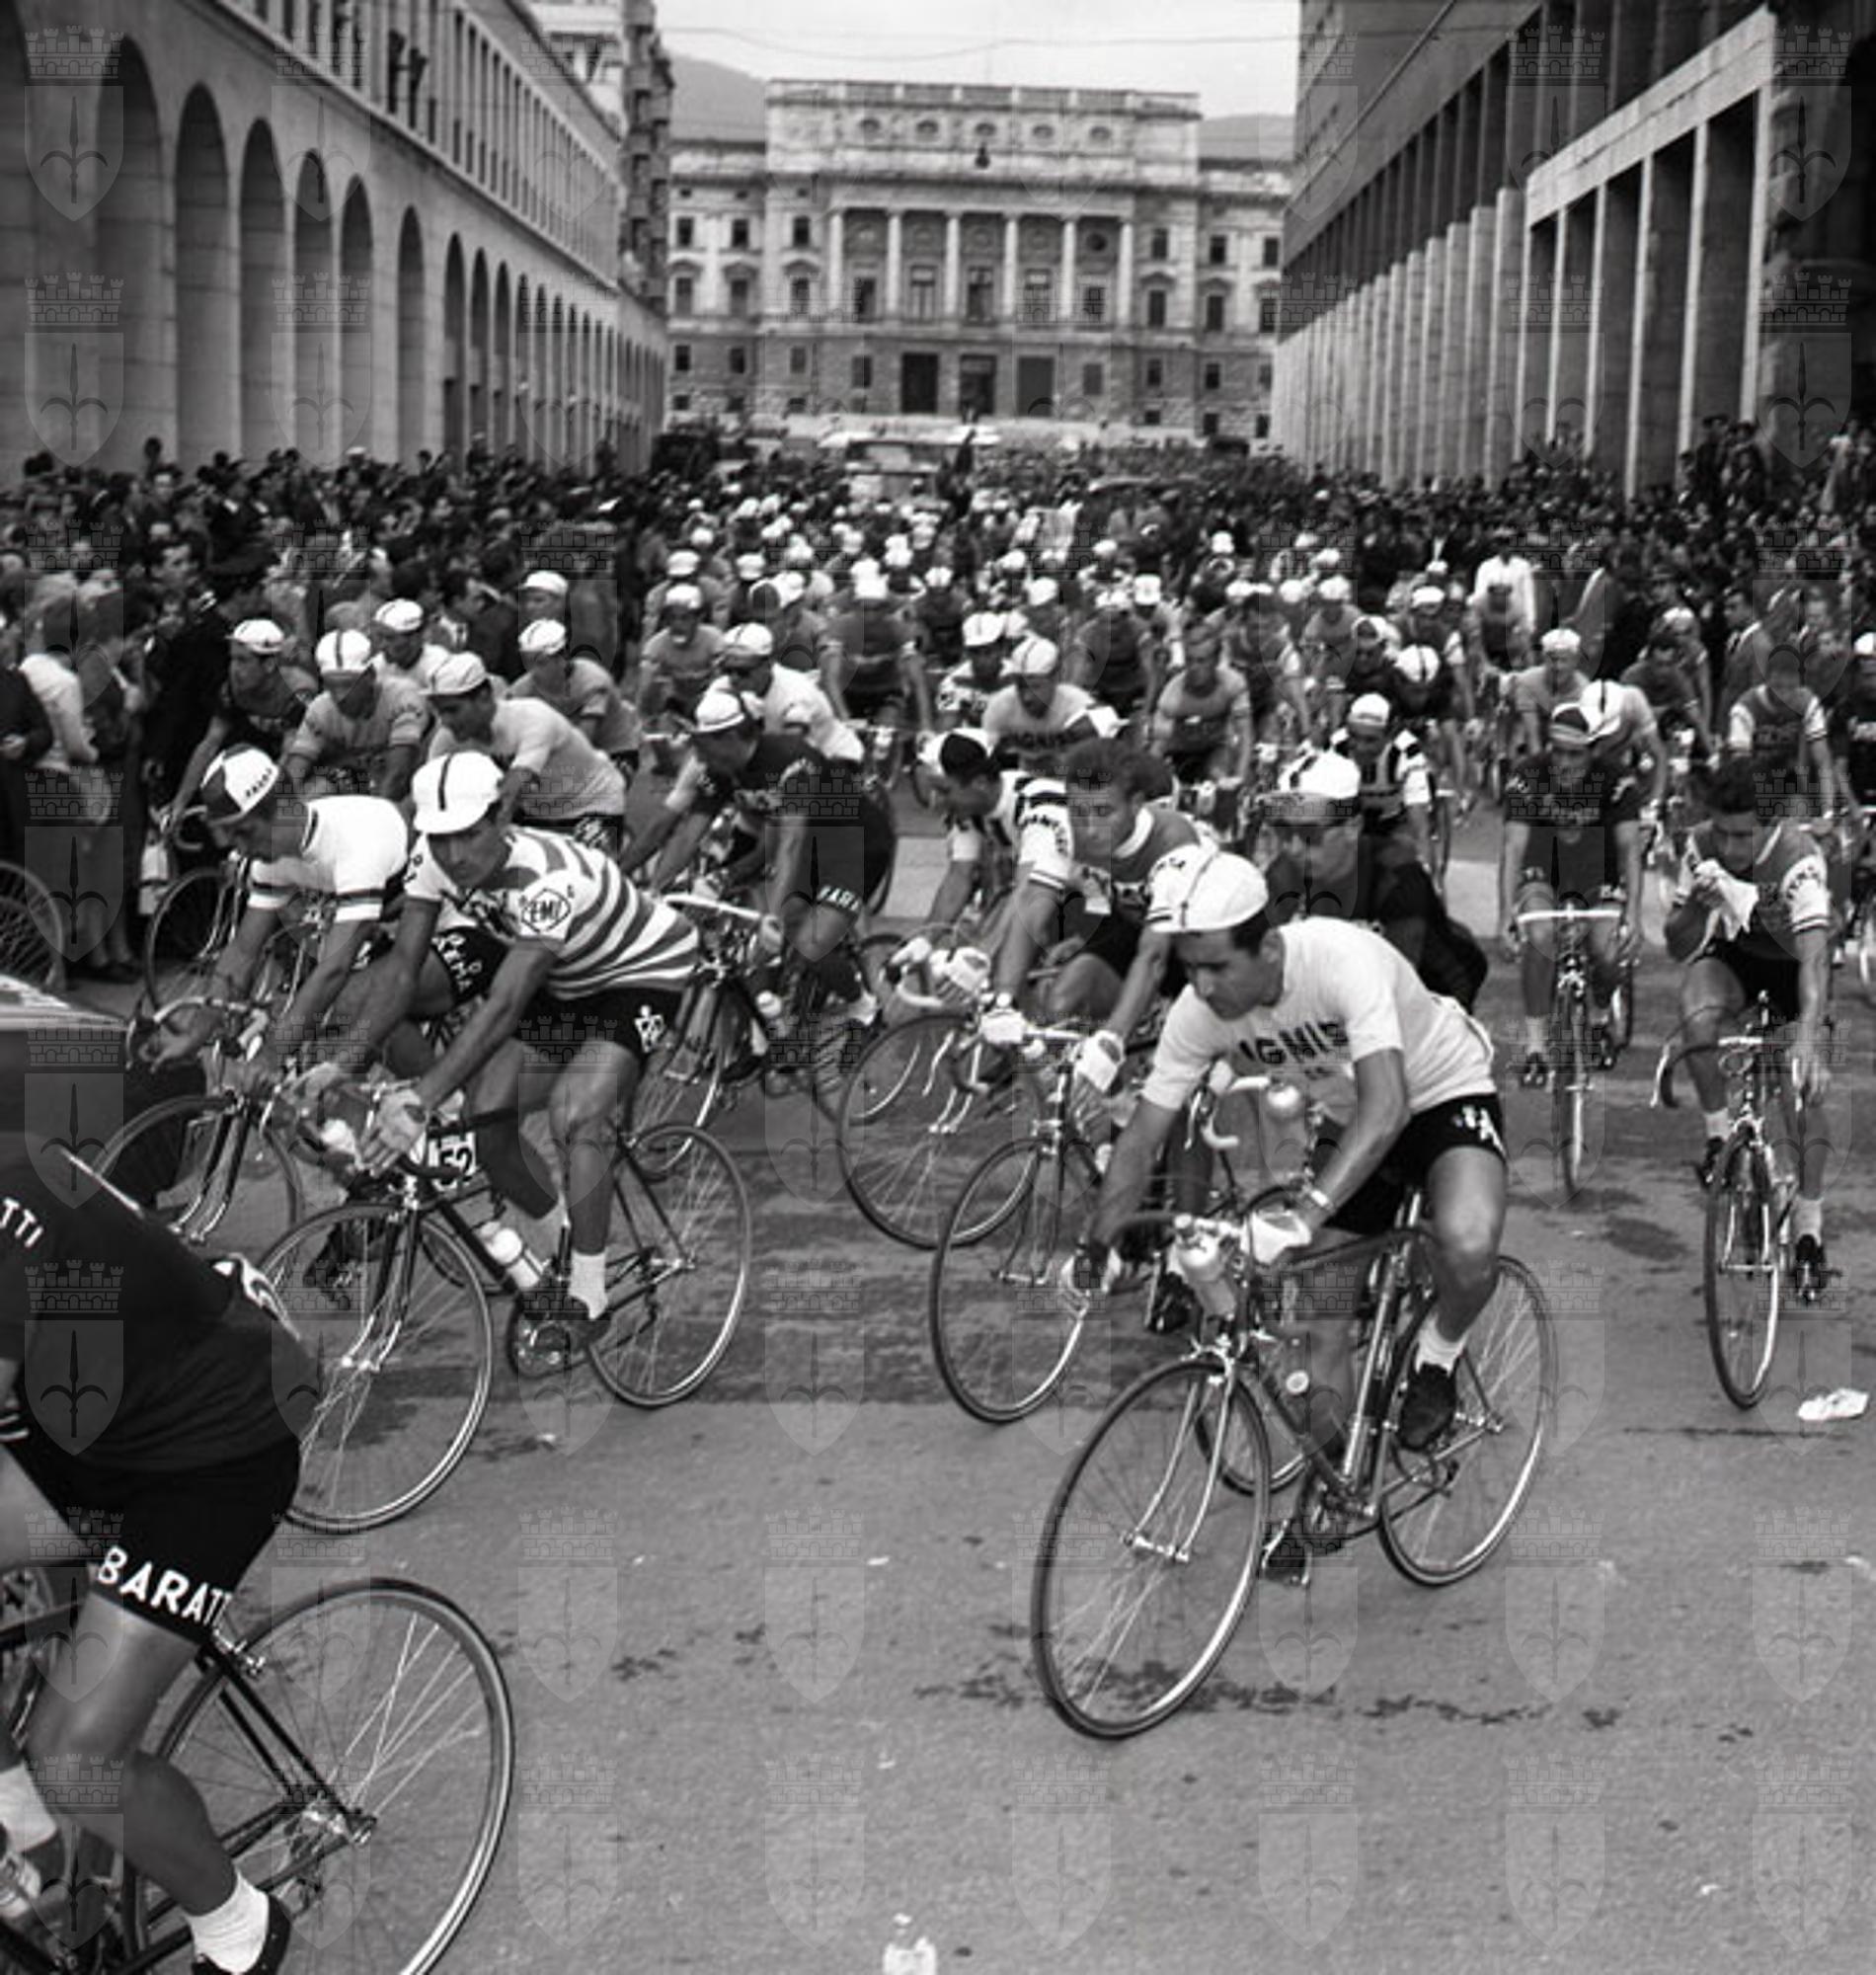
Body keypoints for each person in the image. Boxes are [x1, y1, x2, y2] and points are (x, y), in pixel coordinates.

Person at [0, 1022, 314, 1974]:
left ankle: (240, 1928)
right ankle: (26, 1828)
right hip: (87, 1424)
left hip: (216, 1447)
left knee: (78, 1757)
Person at [1075, 850, 1506, 1456]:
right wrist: (1098, 1246)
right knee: (1320, 1321)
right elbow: (1143, 1138)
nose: (1201, 986)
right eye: (1190, 967)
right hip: (1349, 1118)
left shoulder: (1341, 961)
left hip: (1440, 1093)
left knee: (1467, 1244)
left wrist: (1306, 1215)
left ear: (1270, 949)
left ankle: (1438, 1354)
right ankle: (1332, 1484)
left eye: (1218, 967)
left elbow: (1388, 1107)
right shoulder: (1198, 1014)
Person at [327, 751, 697, 1332]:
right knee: (487, 1118)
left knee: (575, 1114)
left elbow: (504, 1004)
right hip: (569, 981)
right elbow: (401, 973)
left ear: (500, 816)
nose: (454, 855)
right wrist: (342, 1065)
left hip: (641, 972)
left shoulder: (548, 878)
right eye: (439, 838)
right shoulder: (433, 863)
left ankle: (589, 1296)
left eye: (468, 835)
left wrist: (421, 1098)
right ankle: (563, 1250)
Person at [144, 747, 410, 1090]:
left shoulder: (355, 848)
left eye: (244, 832)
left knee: (353, 1001)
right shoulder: (271, 855)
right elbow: (243, 952)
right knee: (297, 1012)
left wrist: (272, 1055)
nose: (239, 849)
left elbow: (335, 968)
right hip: (359, 906)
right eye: (231, 836)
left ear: (283, 809)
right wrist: (194, 1036)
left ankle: (443, 1103)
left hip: (423, 911)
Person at [1664, 756, 1833, 1298]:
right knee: (1696, 1012)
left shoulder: (1799, 860)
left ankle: (1808, 1227)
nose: (1731, 849)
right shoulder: (1700, 846)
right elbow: (1677, 945)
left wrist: (1807, 1040)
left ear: (1771, 824)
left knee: (1797, 1090)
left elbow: (1814, 961)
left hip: (1792, 968)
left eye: (1744, 836)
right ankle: (1718, 1139)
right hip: (1737, 959)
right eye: (1723, 833)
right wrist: (1696, 907)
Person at [1498, 703, 1644, 1084]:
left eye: (1575, 754)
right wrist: (1505, 914)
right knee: (1540, 936)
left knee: (1605, 951)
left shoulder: (1617, 780)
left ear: (1593, 751)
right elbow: (1514, 846)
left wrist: (1634, 915)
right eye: (1557, 752)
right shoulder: (1527, 775)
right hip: (1544, 863)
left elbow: (1629, 849)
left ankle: (1599, 1019)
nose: (1564, 763)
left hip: (1598, 867)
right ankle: (1536, 1048)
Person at [424, 652, 628, 857]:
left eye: (453, 711)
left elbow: (512, 789)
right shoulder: (448, 737)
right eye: (440, 712)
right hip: (539, 809)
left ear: (484, 698)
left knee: (591, 869)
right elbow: (428, 790)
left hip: (593, 803)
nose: (445, 721)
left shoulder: (533, 718)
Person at [280, 628, 427, 804]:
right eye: (331, 686)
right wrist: (288, 809)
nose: (339, 696)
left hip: (413, 786)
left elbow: (399, 775)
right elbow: (294, 772)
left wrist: (378, 815)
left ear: (370, 676)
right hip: (363, 785)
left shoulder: (402, 697)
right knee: (324, 783)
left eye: (347, 685)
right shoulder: (321, 709)